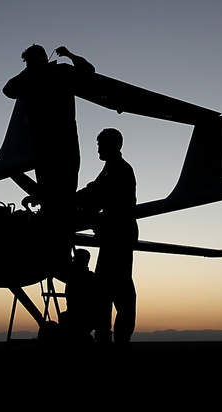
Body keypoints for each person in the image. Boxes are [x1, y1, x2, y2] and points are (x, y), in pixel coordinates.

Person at [3, 44, 95, 275]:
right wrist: (30, 71)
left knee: (61, 201)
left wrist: (70, 55)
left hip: (63, 147)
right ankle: (56, 254)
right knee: (52, 201)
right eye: (31, 61)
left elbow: (88, 71)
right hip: (47, 149)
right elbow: (8, 89)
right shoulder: (30, 79)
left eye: (36, 59)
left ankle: (60, 256)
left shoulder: (60, 72)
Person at [76, 128, 138, 344]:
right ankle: (108, 336)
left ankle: (115, 339)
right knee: (108, 289)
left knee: (116, 289)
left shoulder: (118, 170)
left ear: (113, 145)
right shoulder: (110, 169)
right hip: (114, 236)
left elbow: (97, 194)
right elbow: (94, 191)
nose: (98, 149)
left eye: (100, 145)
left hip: (118, 237)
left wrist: (70, 203)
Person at [62, 249, 100, 343]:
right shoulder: (92, 277)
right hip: (89, 318)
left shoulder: (73, 277)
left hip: (76, 318)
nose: (73, 261)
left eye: (74, 259)